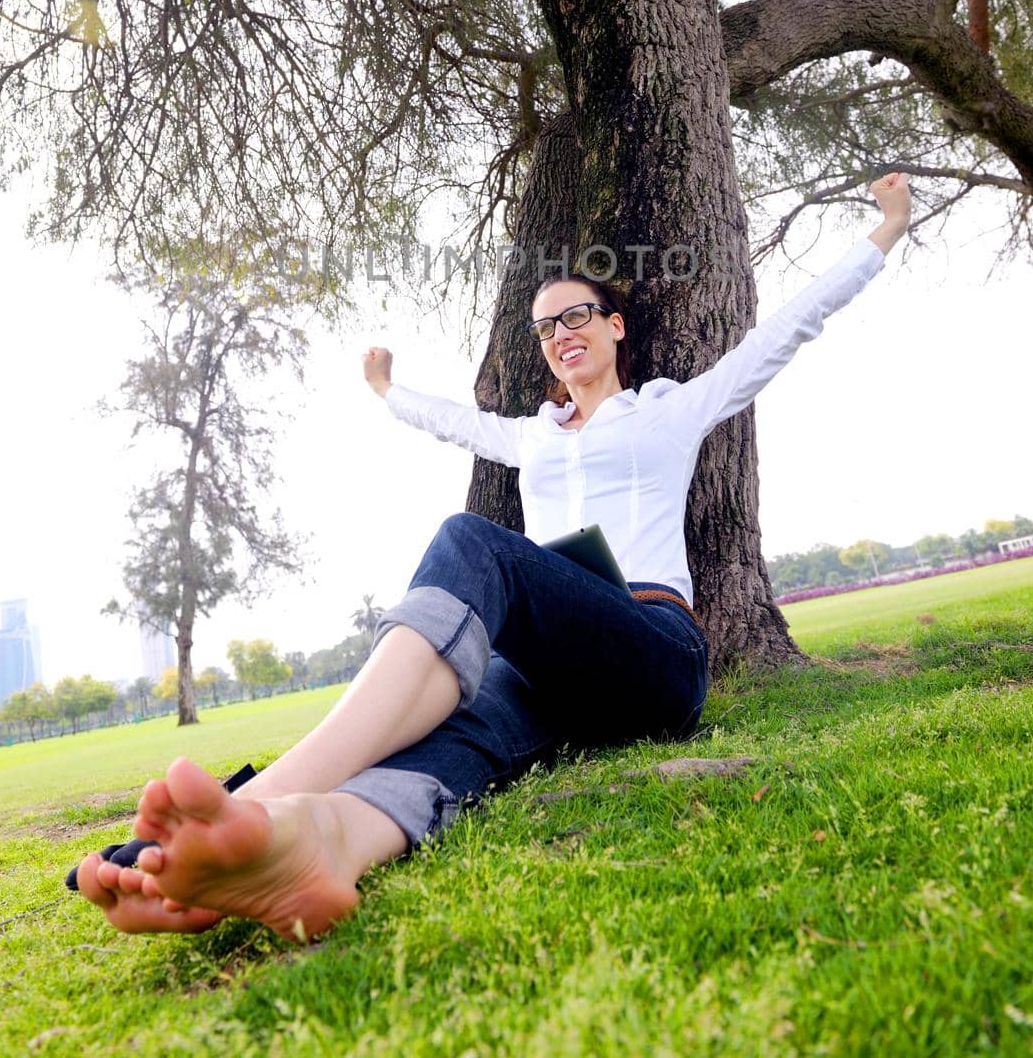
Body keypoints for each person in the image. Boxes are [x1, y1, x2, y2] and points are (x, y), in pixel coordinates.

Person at [74, 173, 911, 940]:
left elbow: (787, 329)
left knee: (472, 540)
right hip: (552, 674)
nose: (560, 334)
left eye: (576, 315)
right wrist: (382, 390)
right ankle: (321, 845)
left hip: (653, 651)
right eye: (546, 326)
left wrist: (886, 230)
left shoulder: (673, 413)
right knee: (462, 724)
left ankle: (255, 802)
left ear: (614, 327)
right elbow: (447, 420)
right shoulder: (527, 439)